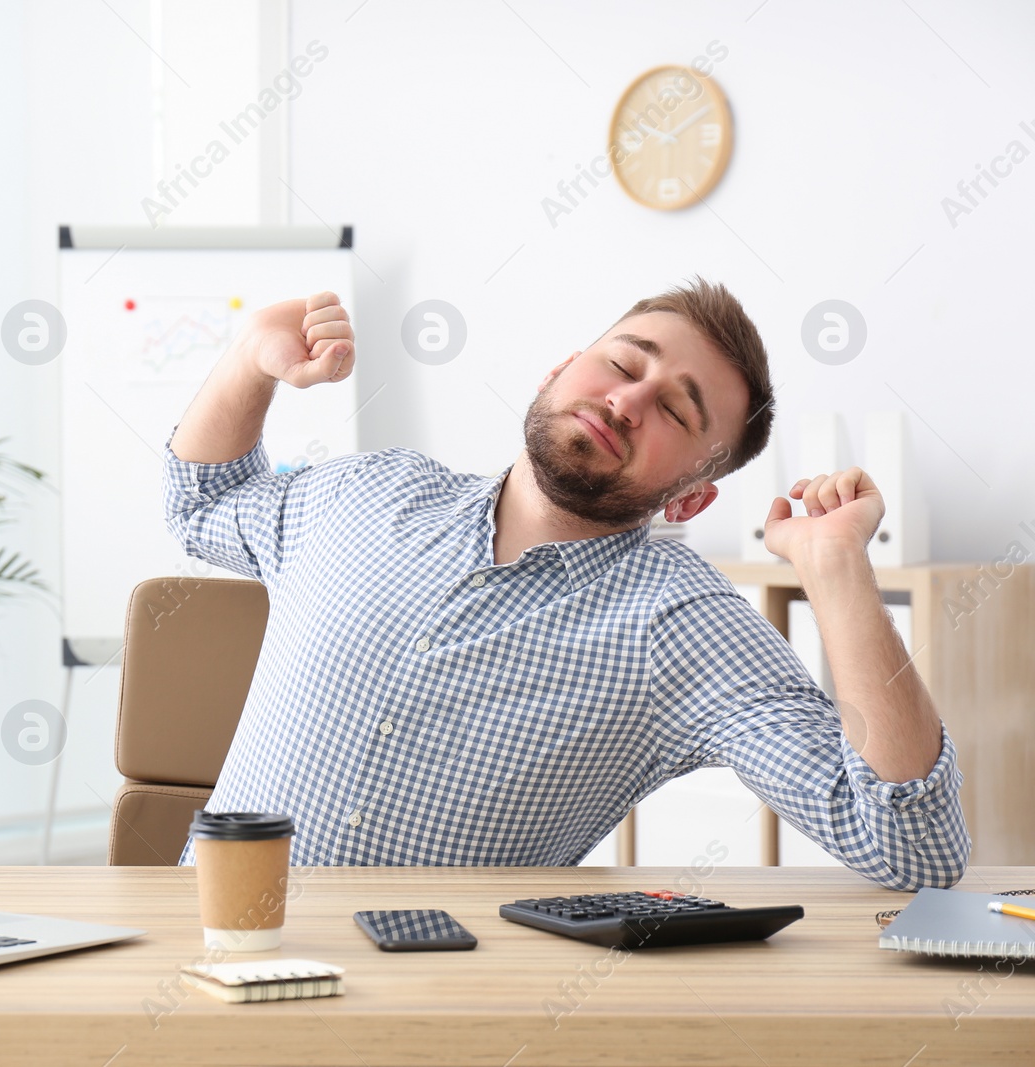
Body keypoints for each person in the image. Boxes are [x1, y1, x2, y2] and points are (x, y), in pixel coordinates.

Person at [162, 279, 968, 891]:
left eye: (677, 413)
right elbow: (204, 502)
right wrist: (248, 360)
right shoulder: (366, 493)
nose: (625, 401)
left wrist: (836, 570)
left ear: (690, 497)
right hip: (205, 966)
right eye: (621, 363)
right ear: (560, 371)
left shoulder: (682, 626)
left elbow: (912, 851)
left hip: (418, 1025)